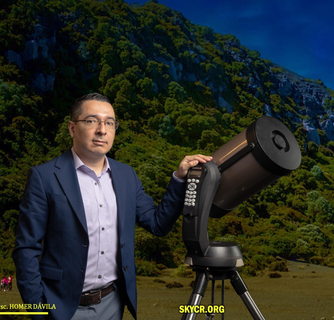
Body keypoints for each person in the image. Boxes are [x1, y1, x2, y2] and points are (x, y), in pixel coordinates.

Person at [12, 92, 212, 320]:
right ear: (71, 128)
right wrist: (39, 312)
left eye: (109, 122)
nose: (102, 130)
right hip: (61, 308)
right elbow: (26, 249)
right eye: (91, 121)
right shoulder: (44, 176)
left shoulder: (127, 175)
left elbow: (158, 224)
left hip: (112, 305)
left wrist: (179, 177)